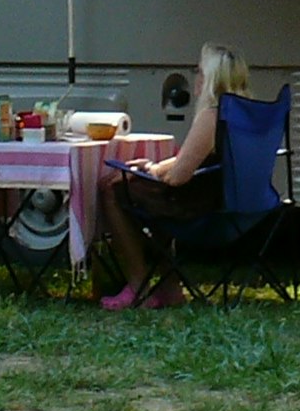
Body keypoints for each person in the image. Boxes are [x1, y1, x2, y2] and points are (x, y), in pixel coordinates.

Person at [97, 43, 247, 312]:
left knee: (112, 188)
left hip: (201, 209)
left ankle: (138, 286)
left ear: (212, 79)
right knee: (146, 194)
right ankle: (170, 288)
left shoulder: (212, 116)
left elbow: (178, 176)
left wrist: (150, 172)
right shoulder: (240, 112)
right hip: (231, 202)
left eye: (200, 72)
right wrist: (152, 166)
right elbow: (191, 160)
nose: (196, 78)